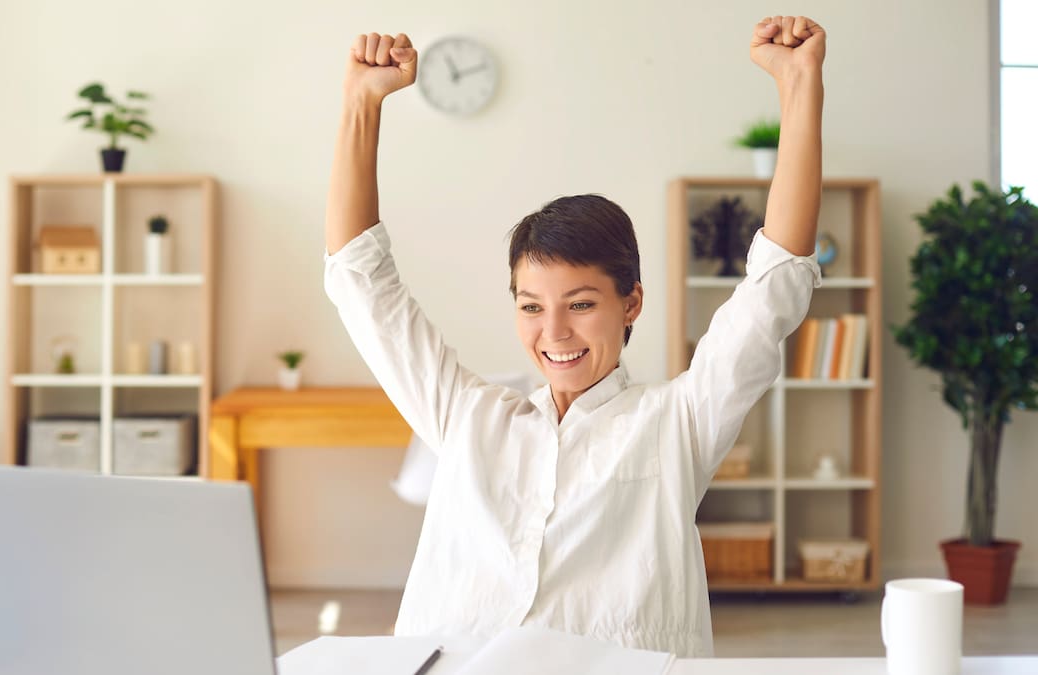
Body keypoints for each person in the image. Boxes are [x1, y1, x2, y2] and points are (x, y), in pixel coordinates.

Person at [323, 16, 825, 658]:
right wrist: (361, 103)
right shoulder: (468, 417)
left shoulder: (678, 421)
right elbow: (359, 283)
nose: (554, 331)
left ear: (630, 303)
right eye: (531, 306)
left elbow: (776, 285)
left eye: (581, 304)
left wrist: (799, 82)